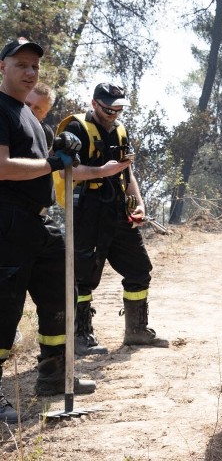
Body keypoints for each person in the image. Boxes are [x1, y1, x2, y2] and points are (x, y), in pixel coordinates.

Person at [0, 37, 96, 423]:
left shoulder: (29, 116)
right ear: (2, 68)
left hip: (37, 220)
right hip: (6, 220)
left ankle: (53, 373)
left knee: (61, 291)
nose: (29, 72)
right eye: (21, 64)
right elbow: (3, 167)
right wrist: (52, 162)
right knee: (4, 308)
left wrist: (59, 148)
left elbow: (49, 163)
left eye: (35, 67)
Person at [61, 82, 168, 354]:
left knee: (139, 268)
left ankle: (136, 331)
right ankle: (81, 336)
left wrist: (140, 205)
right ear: (94, 103)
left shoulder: (120, 130)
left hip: (118, 211)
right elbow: (65, 173)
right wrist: (101, 172)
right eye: (108, 108)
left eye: (118, 108)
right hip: (87, 211)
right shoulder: (75, 128)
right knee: (83, 277)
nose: (113, 114)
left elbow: (126, 172)